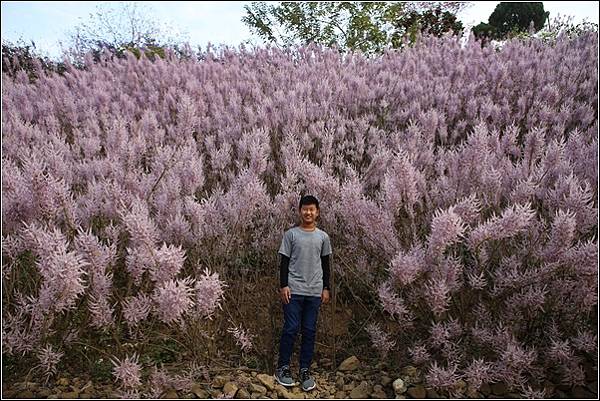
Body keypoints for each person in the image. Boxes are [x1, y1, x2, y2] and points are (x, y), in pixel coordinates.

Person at [274, 195, 332, 392]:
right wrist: (284, 285)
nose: (308, 212)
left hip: (314, 291)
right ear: (300, 211)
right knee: (290, 328)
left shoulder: (323, 237)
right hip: (293, 290)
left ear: (317, 212)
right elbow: (283, 262)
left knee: (309, 330)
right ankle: (283, 367)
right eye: (305, 209)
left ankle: (305, 370)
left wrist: (326, 288)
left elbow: (326, 264)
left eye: (312, 209)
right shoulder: (291, 235)